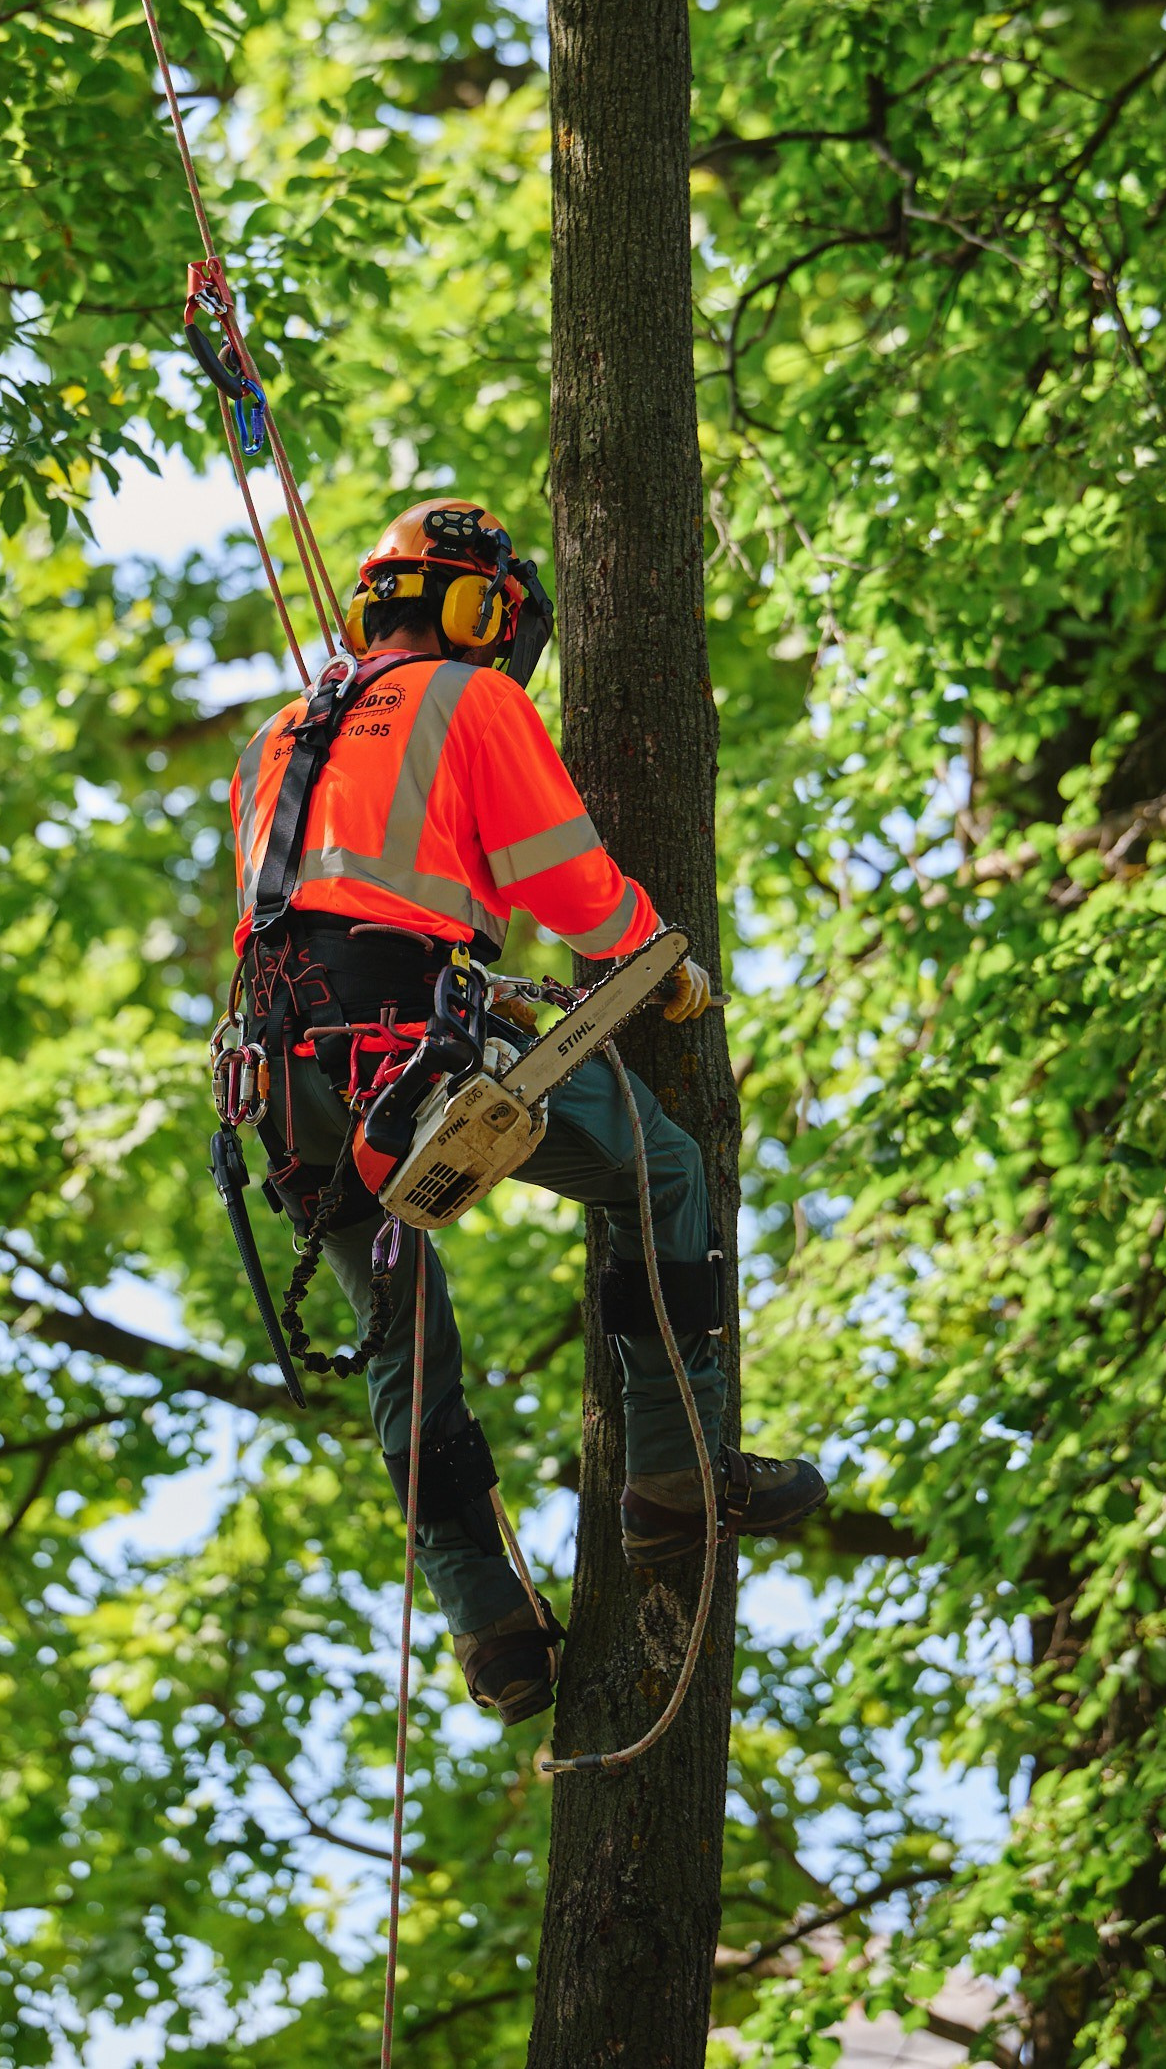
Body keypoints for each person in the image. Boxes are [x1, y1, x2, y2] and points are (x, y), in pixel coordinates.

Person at [228, 498, 826, 1727]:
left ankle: (489, 1627)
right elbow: (566, 882)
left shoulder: (274, 737)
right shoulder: (471, 702)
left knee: (398, 1342)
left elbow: (343, 900)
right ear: (469, 606)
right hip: (402, 1043)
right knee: (662, 1170)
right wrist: (653, 956)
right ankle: (676, 1478)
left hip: (279, 1084)